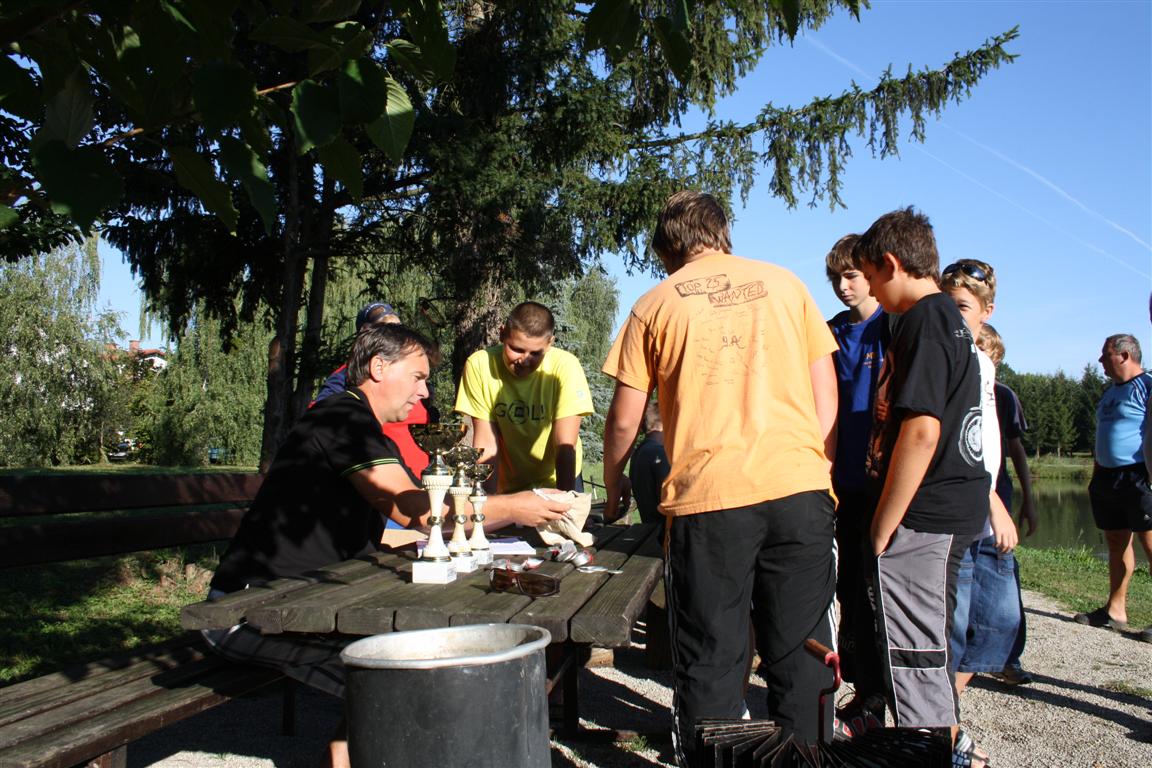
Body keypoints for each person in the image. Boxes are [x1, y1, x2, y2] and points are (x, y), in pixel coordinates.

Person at [204, 324, 572, 768]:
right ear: (379, 367)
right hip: (246, 613)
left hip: (299, 603)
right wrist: (514, 506)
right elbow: (413, 508)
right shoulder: (342, 419)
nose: (425, 392)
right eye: (418, 376)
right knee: (404, 677)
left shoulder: (359, 423)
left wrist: (487, 523)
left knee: (411, 661)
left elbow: (415, 517)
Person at [601, 190, 839, 763]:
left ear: (666, 246)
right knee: (803, 652)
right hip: (799, 488)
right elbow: (826, 396)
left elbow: (625, 419)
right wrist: (818, 471)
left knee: (711, 654)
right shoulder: (787, 285)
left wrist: (614, 482)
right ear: (722, 234)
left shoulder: (654, 304)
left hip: (708, 499)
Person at [851, 208, 992, 766]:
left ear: (890, 264)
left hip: (927, 510)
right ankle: (941, 745)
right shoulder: (945, 317)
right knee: (922, 639)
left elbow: (922, 430)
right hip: (949, 504)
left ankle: (935, 751)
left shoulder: (925, 320)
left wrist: (884, 524)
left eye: (870, 276)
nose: (871, 291)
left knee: (915, 648)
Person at [939, 259, 1018, 765]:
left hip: (990, 511)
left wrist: (1002, 501)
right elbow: (956, 446)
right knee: (953, 624)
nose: (953, 315)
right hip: (968, 510)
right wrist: (992, 502)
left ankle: (943, 707)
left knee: (1001, 621)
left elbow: (986, 441)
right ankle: (944, 730)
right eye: (947, 305)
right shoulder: (950, 356)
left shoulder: (983, 363)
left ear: (987, 311)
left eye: (963, 307)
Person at [823, 233, 889, 733]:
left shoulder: (894, 327)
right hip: (841, 481)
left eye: (850, 276)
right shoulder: (829, 333)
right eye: (835, 279)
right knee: (849, 590)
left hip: (882, 484)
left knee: (880, 593)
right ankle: (865, 693)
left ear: (871, 274)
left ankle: (888, 699)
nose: (842, 286)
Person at [454, 301, 593, 493]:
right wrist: (487, 500)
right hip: (508, 481)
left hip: (558, 476)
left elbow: (565, 446)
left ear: (550, 343)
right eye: (517, 349)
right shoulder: (479, 365)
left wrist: (564, 500)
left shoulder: (566, 367)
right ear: (502, 334)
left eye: (535, 353)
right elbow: (487, 444)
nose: (525, 361)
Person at [1074, 333, 1152, 644]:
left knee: (1150, 544)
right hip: (1107, 477)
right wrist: (1096, 476)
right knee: (1116, 542)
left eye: (1105, 355)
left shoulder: (1147, 386)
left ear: (1124, 355)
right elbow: (1103, 435)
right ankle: (1115, 611)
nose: (1100, 361)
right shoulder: (1109, 393)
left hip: (1139, 476)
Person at [978, 323, 1039, 682]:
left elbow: (1017, 451)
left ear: (996, 356)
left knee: (1003, 573)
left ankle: (1008, 658)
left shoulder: (1004, 396)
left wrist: (1029, 500)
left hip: (998, 492)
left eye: (984, 347)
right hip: (965, 495)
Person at [313, 302, 432, 477]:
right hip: (380, 475)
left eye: (399, 329)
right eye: (386, 330)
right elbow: (324, 419)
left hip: (415, 476)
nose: (396, 336)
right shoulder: (345, 378)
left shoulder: (409, 380)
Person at [629, 399, 670, 524]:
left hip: (648, 525)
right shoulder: (658, 453)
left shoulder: (639, 452)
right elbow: (668, 497)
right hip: (663, 529)